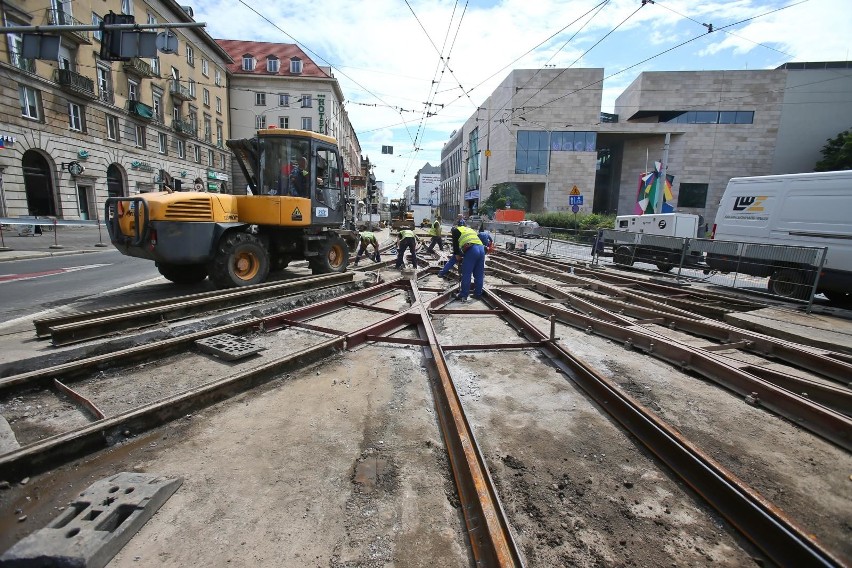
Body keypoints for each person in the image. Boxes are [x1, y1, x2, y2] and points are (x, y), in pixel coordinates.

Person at [450, 225, 485, 302]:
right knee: (479, 274)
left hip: (472, 250)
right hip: (481, 249)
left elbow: (455, 246)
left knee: (466, 273)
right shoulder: (470, 229)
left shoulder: (455, 231)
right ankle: (478, 294)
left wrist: (457, 255)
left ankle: (464, 294)